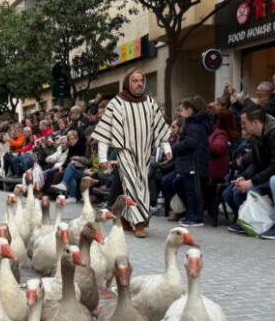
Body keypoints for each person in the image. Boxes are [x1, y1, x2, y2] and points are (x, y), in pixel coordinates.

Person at [91, 69, 171, 237]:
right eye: (135, 80)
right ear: (128, 83)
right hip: (125, 151)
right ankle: (140, 223)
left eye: (141, 80)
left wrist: (167, 147)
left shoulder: (150, 102)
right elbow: (105, 132)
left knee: (141, 185)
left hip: (144, 153)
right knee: (133, 184)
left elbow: (159, 128)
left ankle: (126, 218)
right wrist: (103, 157)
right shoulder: (116, 103)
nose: (139, 83)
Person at [226, 105, 275, 232]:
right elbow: (257, 163)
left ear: (256, 123)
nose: (242, 126)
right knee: (234, 190)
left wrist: (251, 181)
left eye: (244, 123)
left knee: (272, 181)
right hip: (269, 172)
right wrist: (245, 177)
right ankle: (249, 220)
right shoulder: (256, 136)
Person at [168, 96, 213, 226]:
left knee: (193, 191)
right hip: (190, 163)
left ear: (190, 110)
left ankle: (196, 217)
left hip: (193, 163)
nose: (180, 113)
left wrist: (175, 147)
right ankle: (191, 214)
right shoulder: (195, 123)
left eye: (182, 109)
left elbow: (191, 142)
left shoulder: (195, 124)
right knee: (189, 190)